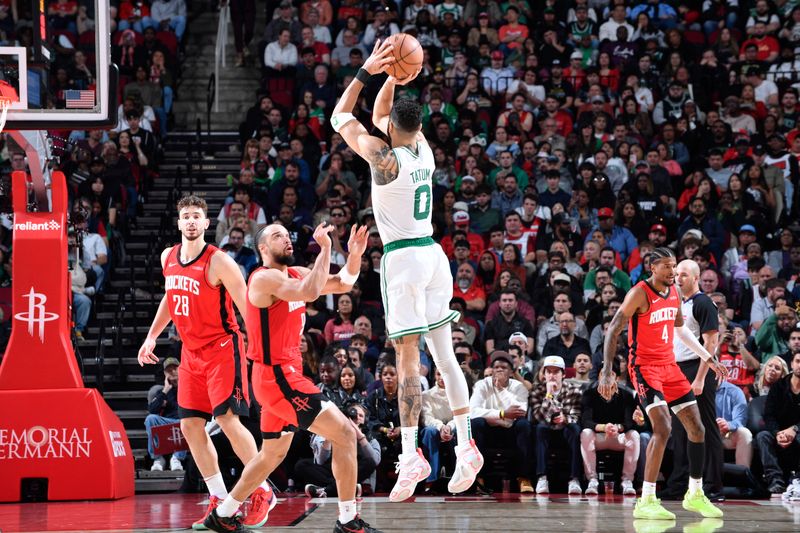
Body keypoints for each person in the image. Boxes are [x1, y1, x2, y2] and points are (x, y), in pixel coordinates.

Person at [330, 40, 483, 502]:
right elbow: (383, 116)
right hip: (435, 255)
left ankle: (413, 452)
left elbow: (341, 117)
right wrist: (395, 77)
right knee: (446, 355)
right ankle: (467, 443)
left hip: (402, 260)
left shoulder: (384, 158)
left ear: (392, 128)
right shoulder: (423, 149)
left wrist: (366, 71)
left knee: (407, 360)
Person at [203, 222, 377, 533]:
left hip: (283, 378)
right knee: (345, 434)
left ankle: (224, 513)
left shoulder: (294, 272)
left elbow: (343, 283)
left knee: (272, 454)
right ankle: (348, 520)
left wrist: (353, 254)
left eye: (286, 233)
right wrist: (325, 248)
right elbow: (311, 291)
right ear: (263, 249)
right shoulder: (263, 279)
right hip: (277, 379)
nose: (285, 238)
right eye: (276, 235)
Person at [137, 195, 274, 529]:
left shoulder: (219, 261)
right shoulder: (168, 256)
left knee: (227, 420)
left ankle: (263, 489)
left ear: (207, 223)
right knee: (189, 425)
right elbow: (171, 297)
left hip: (223, 348)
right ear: (179, 222)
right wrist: (152, 336)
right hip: (190, 352)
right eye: (186, 216)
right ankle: (217, 497)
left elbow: (247, 305)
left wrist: (260, 349)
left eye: (197, 216)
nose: (191, 221)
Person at [599, 247, 727, 520]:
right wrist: (607, 370)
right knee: (663, 427)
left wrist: (708, 357)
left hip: (670, 366)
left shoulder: (675, 294)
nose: (673, 273)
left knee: (698, 427)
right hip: (644, 368)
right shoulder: (639, 293)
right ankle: (646, 499)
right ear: (652, 268)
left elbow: (679, 329)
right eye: (667, 267)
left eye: (675, 267)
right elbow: (613, 328)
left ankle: (694, 494)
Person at [663, 260, 724, 500]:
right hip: (676, 369)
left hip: (698, 368)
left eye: (684, 275)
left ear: (696, 278)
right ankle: (680, 484)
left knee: (706, 427)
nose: (678, 278)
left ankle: (712, 486)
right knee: (679, 429)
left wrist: (699, 379)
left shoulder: (703, 303)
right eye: (677, 274)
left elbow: (710, 343)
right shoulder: (676, 303)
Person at [469, 351, 535, 492]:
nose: (499, 370)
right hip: (488, 433)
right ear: (491, 370)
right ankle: (478, 477)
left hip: (510, 433)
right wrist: (502, 414)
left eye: (504, 367)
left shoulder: (519, 387)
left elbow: (519, 413)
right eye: (496, 367)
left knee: (524, 425)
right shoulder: (481, 385)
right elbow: (473, 412)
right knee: (476, 423)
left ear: (511, 372)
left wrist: (501, 391)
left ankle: (523, 477)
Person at [580, 362, 639, 496]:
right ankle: (592, 480)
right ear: (599, 377)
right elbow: (585, 420)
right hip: (598, 436)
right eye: (603, 374)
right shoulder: (589, 394)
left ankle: (627, 481)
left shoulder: (627, 395)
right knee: (585, 433)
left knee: (634, 435)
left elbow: (630, 422)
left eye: (610, 374)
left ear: (617, 378)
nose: (606, 378)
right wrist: (603, 427)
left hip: (618, 435)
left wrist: (618, 427)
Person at [530, 355, 584, 495]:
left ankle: (574, 479)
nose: (552, 376)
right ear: (544, 374)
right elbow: (537, 418)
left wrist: (565, 418)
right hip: (547, 430)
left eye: (556, 372)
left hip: (566, 429)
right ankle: (542, 478)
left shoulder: (574, 390)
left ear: (563, 374)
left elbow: (577, 417)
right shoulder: (537, 391)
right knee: (540, 428)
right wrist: (548, 395)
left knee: (575, 429)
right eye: (549, 372)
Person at [755, 351, 800, 495]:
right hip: (779, 433)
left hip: (798, 433)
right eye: (798, 361)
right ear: (792, 364)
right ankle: (776, 481)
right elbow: (769, 416)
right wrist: (777, 433)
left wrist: (794, 429)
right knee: (763, 436)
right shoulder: (778, 387)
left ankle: (797, 479)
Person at [145, 357, 187, 472]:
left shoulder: (189, 387)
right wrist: (165, 391)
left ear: (181, 369)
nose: (173, 372)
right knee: (150, 419)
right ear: (165, 374)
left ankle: (176, 458)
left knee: (186, 421)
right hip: (167, 424)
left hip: (184, 424)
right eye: (169, 370)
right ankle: (158, 459)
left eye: (175, 369)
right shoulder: (161, 392)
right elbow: (152, 410)